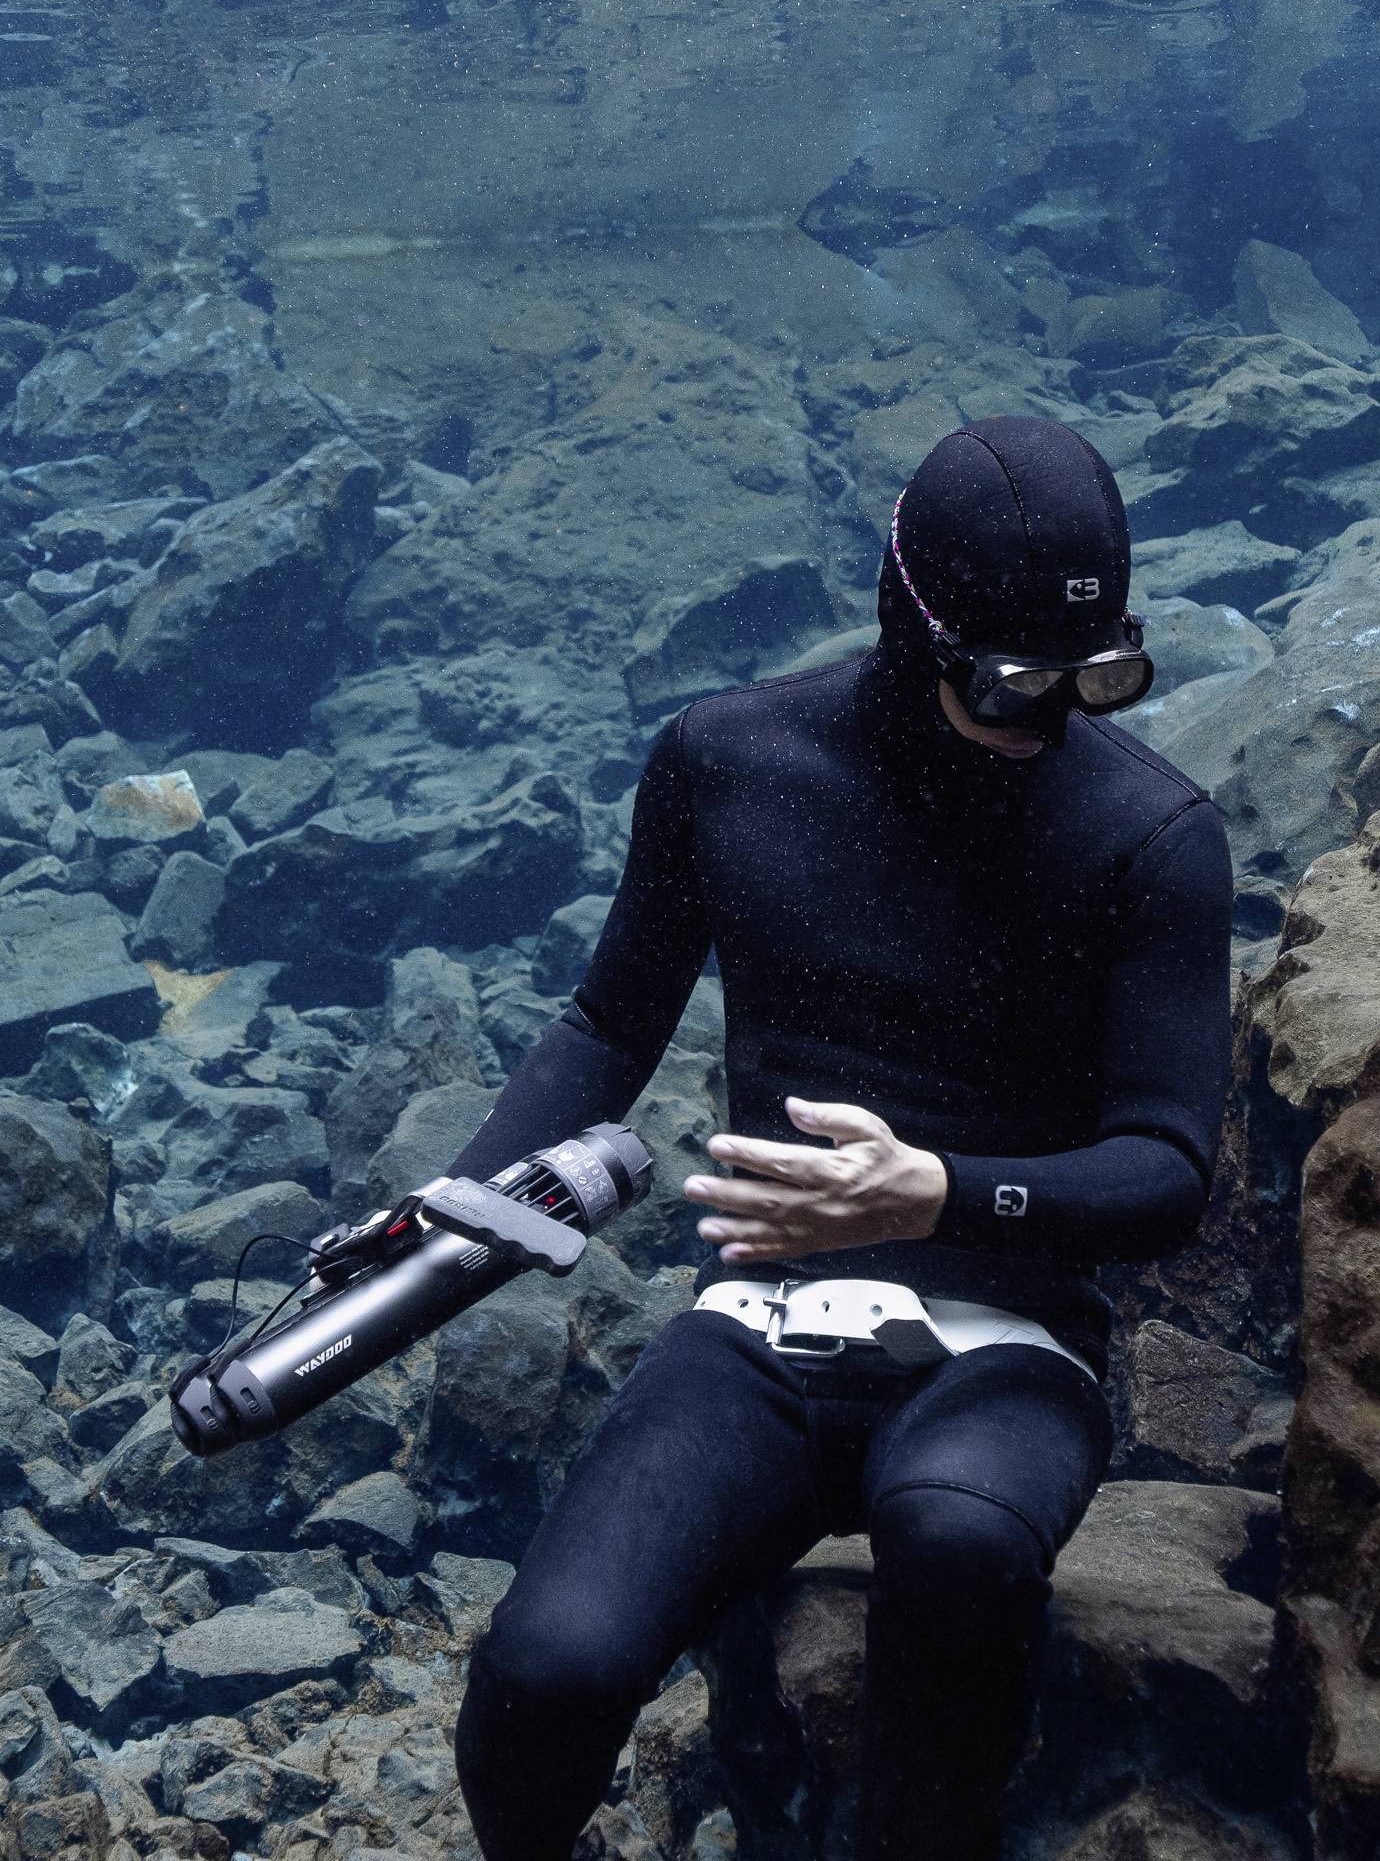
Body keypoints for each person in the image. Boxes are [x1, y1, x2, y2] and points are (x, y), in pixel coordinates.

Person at [441, 414, 1235, 1861]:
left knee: (961, 1545)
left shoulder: (1150, 835)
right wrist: (463, 1208)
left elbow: (1167, 1174)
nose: (1048, 718)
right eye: (1007, 681)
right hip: (759, 1319)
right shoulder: (729, 762)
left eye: (1095, 677)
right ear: (908, 612)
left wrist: (935, 1189)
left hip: (1011, 1345)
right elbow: (611, 1028)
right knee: (546, 1670)